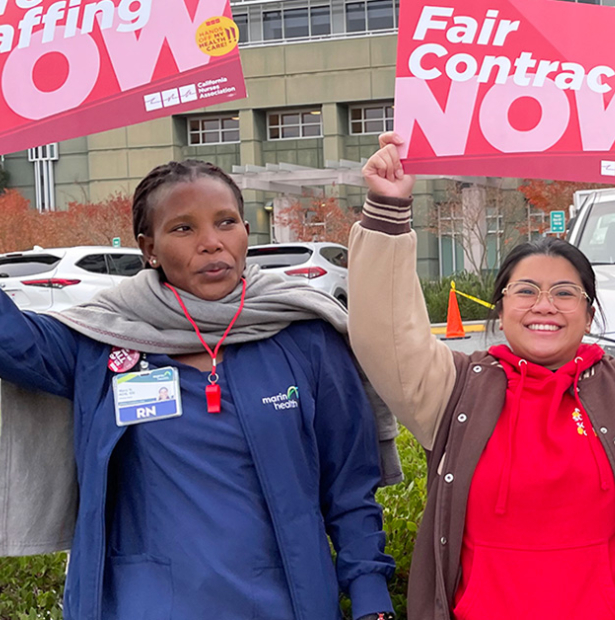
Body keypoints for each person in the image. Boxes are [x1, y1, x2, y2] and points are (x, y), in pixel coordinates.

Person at [347, 132, 615, 620]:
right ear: (501, 307)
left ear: (590, 313)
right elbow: (382, 334)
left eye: (565, 293)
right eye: (526, 290)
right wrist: (388, 209)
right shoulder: (454, 391)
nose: (544, 306)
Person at [0, 160, 396, 620]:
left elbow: (349, 486)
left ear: (247, 231)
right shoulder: (103, 339)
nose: (211, 242)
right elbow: (13, 342)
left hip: (286, 601)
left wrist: (371, 599)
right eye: (183, 228)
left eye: (225, 222)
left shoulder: (305, 336)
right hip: (140, 604)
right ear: (148, 248)